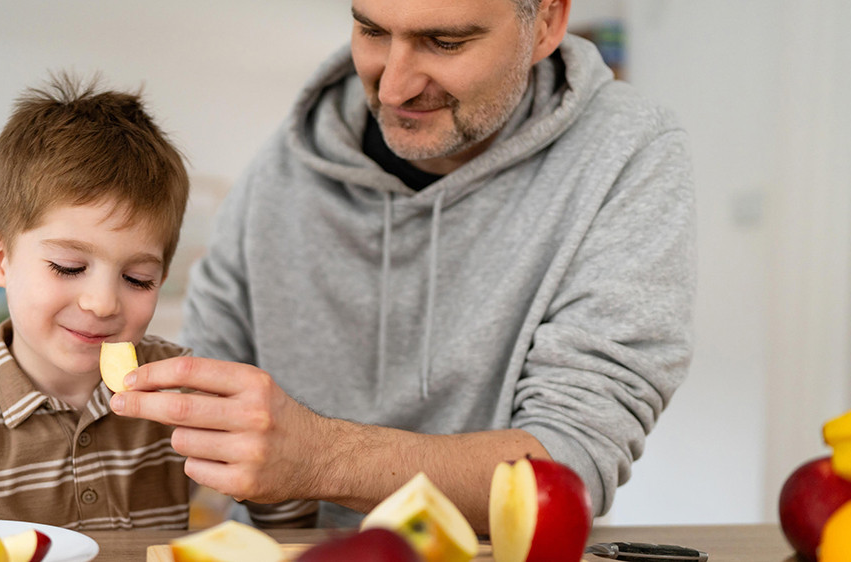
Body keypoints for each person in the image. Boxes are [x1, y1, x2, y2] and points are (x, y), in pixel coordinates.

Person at [111, 0, 695, 532]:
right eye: (370, 29)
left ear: (545, 23)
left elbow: (568, 467)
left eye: (445, 42)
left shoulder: (629, 154)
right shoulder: (279, 170)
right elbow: (199, 396)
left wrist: (323, 459)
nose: (393, 88)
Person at [0, 73, 196, 530]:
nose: (101, 303)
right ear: (0, 259)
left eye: (138, 278)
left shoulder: (178, 395)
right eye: (69, 267)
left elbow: (282, 514)